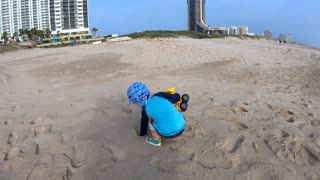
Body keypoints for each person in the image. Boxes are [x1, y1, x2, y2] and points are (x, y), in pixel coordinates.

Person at [127, 82, 187, 147]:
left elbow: (144, 123)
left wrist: (142, 134)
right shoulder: (160, 94)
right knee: (172, 109)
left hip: (168, 134)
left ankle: (156, 140)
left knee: (150, 120)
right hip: (182, 126)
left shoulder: (145, 109)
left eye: (135, 103)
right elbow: (176, 97)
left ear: (138, 102)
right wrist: (173, 94)